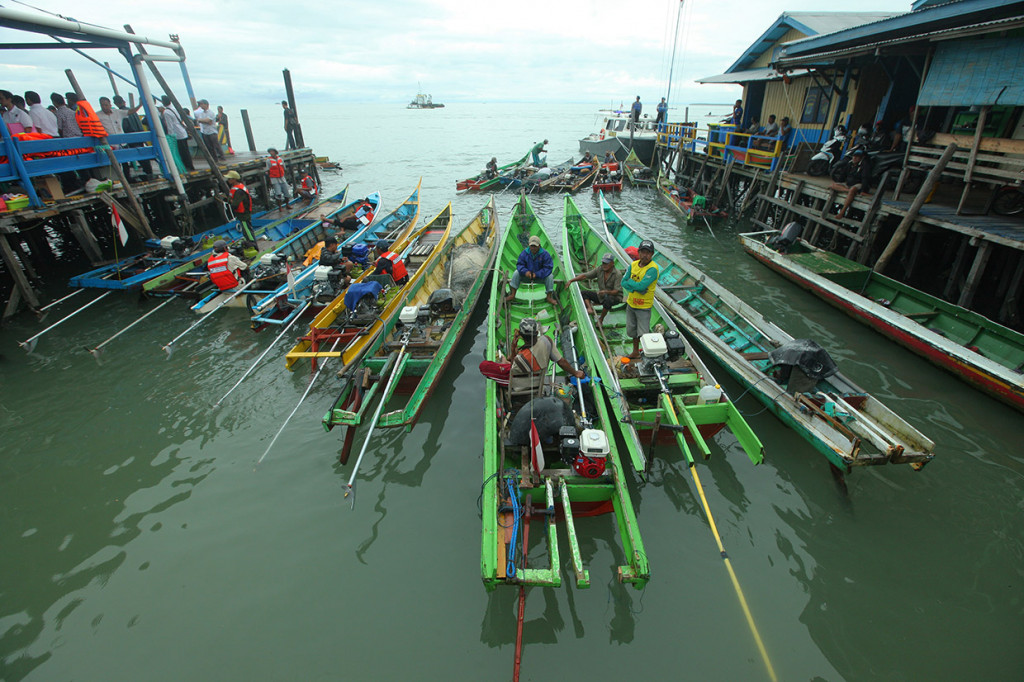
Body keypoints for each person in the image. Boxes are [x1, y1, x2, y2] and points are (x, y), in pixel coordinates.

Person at [508, 318, 583, 394]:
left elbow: (512, 369)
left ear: (521, 335)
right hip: (538, 382)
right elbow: (561, 362)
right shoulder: (546, 341)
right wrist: (576, 373)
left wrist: (513, 349)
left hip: (521, 386)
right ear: (537, 332)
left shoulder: (519, 358)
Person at [621, 239, 659, 359]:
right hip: (631, 304)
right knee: (631, 331)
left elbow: (642, 286)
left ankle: (646, 356)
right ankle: (635, 351)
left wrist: (632, 284)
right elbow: (623, 282)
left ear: (652, 254)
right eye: (643, 252)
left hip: (644, 307)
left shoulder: (653, 269)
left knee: (643, 334)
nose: (645, 255)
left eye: (648, 253)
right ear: (639, 252)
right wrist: (635, 288)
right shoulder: (633, 265)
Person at [568, 252, 622, 325]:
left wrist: (606, 292)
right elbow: (585, 276)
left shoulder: (617, 274)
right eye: (603, 263)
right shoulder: (600, 269)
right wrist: (571, 280)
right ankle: (589, 308)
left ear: (612, 263)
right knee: (584, 293)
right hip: (602, 296)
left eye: (606, 263)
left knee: (608, 300)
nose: (604, 265)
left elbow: (616, 291)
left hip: (615, 297)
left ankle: (601, 319)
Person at [506, 234, 557, 306]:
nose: (533, 248)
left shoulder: (545, 254)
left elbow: (548, 268)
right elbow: (519, 265)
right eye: (532, 246)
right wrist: (526, 272)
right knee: (516, 273)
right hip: (527, 276)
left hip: (540, 277)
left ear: (539, 246)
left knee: (550, 276)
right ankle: (512, 295)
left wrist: (537, 274)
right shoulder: (524, 253)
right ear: (529, 245)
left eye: (535, 246)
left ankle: (549, 297)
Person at [830, 148, 872, 220]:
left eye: (857, 157)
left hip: (858, 184)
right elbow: (843, 175)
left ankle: (842, 212)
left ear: (861, 158)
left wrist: (863, 190)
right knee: (832, 185)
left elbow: (865, 178)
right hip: (848, 185)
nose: (854, 158)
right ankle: (848, 190)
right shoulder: (850, 164)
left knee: (853, 189)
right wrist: (839, 182)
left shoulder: (864, 165)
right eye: (854, 156)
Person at [160, 95, 195, 171]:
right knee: (186, 151)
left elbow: (169, 126)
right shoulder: (174, 109)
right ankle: (190, 166)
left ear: (163, 102)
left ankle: (186, 166)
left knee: (181, 152)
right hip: (182, 131)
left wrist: (170, 136)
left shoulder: (166, 112)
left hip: (177, 134)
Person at [224, 170, 256, 244]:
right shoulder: (237, 188)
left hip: (244, 214)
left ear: (234, 179)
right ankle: (250, 242)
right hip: (242, 214)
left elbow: (234, 204)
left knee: (247, 230)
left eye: (229, 179)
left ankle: (253, 244)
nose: (228, 180)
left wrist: (230, 200)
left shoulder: (239, 191)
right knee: (246, 229)